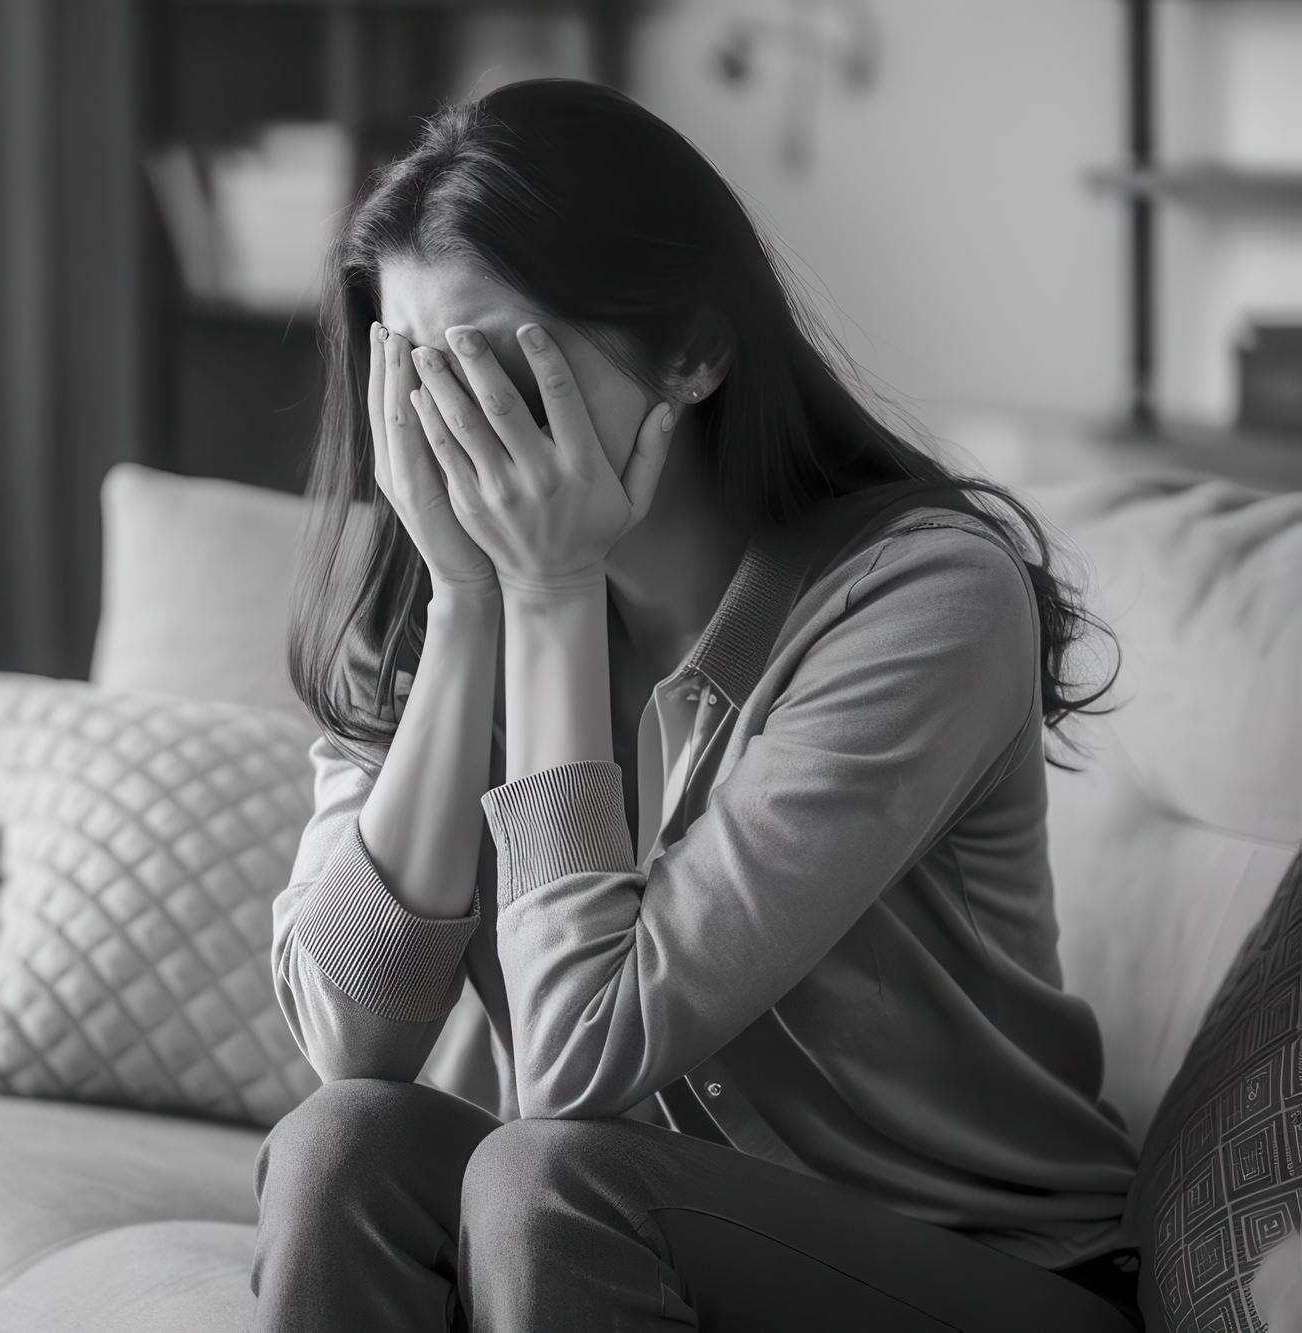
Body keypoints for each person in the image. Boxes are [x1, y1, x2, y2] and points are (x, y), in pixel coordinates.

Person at [251, 78, 1144, 1332]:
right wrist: (468, 611)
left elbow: (573, 1068)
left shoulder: (923, 599)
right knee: (343, 1141)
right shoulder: (438, 597)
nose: (461, 435)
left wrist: (552, 594)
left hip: (978, 1274)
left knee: (543, 1174)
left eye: (504, 369)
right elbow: (350, 1042)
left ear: (694, 352)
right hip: (616, 1240)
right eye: (419, 379)